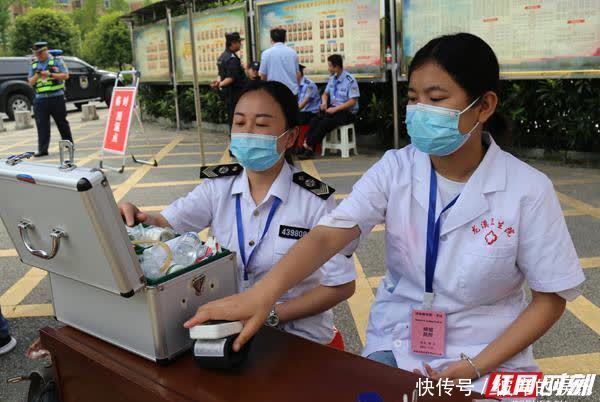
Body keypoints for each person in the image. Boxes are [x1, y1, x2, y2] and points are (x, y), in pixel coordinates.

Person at [184, 33, 586, 392]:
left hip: (490, 354)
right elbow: (330, 233)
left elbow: (550, 297)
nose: (420, 110)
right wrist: (262, 296)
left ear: (484, 107)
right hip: (398, 342)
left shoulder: (527, 189)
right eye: (414, 98)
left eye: (437, 98)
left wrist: (474, 367)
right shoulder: (397, 168)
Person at [120, 80, 356, 347]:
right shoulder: (218, 186)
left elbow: (341, 285)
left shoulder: (314, 200)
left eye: (262, 124)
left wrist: (270, 315)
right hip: (227, 334)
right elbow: (166, 224)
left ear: (290, 137)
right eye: (240, 123)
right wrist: (138, 218)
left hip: (299, 340)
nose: (248, 132)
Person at [298, 54, 359, 160]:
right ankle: (307, 146)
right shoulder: (332, 79)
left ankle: (308, 147)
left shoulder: (350, 80)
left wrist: (335, 109)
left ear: (336, 67)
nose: (328, 68)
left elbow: (353, 101)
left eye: (330, 66)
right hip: (333, 109)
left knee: (325, 123)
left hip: (347, 112)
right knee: (315, 120)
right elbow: (325, 94)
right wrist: (324, 102)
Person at [28, 41, 73, 158]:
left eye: (40, 53)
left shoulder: (57, 61)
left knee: (62, 123)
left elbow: (66, 75)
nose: (38, 55)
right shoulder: (34, 64)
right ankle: (42, 149)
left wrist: (50, 75)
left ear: (46, 50)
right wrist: (37, 75)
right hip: (40, 99)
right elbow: (30, 82)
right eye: (36, 53)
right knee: (42, 125)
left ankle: (69, 145)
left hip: (56, 97)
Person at [213, 32, 247, 128]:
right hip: (235, 94)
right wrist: (220, 84)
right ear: (232, 43)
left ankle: (233, 137)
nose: (240, 44)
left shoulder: (222, 56)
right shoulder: (232, 59)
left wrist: (219, 83)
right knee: (236, 119)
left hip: (228, 94)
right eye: (239, 42)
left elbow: (220, 75)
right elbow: (231, 78)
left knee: (231, 117)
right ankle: (235, 138)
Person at [258, 28, 300, 95]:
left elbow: (262, 75)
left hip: (274, 92)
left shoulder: (266, 53)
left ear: (271, 39)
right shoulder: (293, 53)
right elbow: (298, 74)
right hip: (291, 92)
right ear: (285, 38)